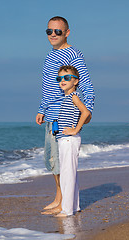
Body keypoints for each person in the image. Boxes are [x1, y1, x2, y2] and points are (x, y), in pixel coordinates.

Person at [36, 16, 95, 215]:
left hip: (63, 115)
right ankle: (59, 196)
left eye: (57, 31)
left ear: (67, 33)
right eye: (49, 31)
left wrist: (88, 112)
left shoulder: (73, 54)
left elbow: (85, 83)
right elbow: (47, 87)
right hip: (50, 114)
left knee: (59, 160)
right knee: (52, 159)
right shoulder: (49, 56)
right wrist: (41, 109)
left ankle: (62, 201)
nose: (53, 35)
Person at [54, 65, 90, 217]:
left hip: (69, 139)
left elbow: (86, 112)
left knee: (67, 174)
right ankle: (74, 207)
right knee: (70, 174)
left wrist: (75, 130)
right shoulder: (66, 98)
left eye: (67, 78)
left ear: (75, 81)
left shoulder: (74, 96)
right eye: (60, 78)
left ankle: (67, 210)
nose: (63, 80)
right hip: (65, 139)